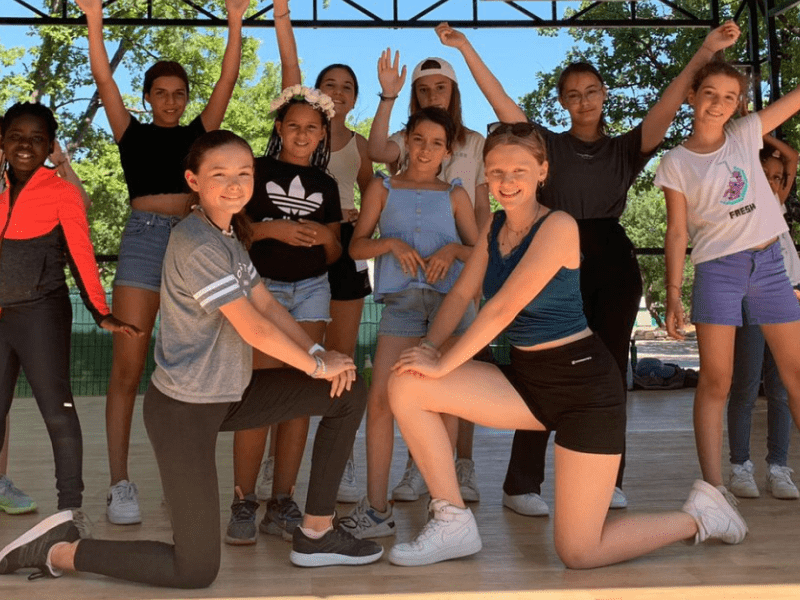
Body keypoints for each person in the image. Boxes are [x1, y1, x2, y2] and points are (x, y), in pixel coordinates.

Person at [0, 130, 383, 588]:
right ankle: (58, 551)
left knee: (347, 392)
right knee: (195, 568)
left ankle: (317, 531)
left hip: (230, 394)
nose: (235, 183)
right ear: (193, 180)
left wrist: (320, 352)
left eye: (244, 173)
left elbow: (267, 306)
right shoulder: (197, 242)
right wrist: (318, 366)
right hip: (184, 411)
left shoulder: (230, 237)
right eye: (219, 174)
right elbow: (252, 326)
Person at [384, 121, 747, 568]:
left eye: (518, 170)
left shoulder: (558, 226)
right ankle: (452, 519)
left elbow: (501, 311)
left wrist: (442, 364)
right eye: (495, 172)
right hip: (527, 385)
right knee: (407, 382)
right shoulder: (494, 227)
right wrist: (432, 351)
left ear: (542, 171)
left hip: (586, 393)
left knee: (578, 552)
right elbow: (461, 295)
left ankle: (700, 516)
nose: (506, 181)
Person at [435, 20, 740, 514]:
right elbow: (501, 104)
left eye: (591, 91)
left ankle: (608, 479)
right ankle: (522, 485)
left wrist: (707, 47)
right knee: (534, 362)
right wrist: (466, 47)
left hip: (610, 256)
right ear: (562, 103)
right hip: (549, 251)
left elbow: (666, 105)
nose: (583, 101)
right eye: (572, 94)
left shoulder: (624, 149)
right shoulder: (546, 146)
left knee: (609, 367)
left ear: (604, 95)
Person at [76, 0, 247, 525]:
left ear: (186, 100)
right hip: (146, 242)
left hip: (197, 242)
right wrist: (94, 21)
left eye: (179, 94)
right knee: (128, 365)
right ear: (148, 97)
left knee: (186, 367)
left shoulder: (200, 135)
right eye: (161, 93)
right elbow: (103, 77)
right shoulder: (131, 131)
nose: (171, 101)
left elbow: (227, 80)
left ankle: (181, 478)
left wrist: (235, 20)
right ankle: (119, 484)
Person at [655, 60, 800, 499]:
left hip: (770, 266)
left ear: (739, 105)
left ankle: (777, 467)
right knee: (717, 380)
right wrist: (675, 293)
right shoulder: (675, 162)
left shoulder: (744, 135)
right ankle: (713, 488)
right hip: (718, 271)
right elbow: (678, 231)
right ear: (692, 96)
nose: (719, 103)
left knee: (794, 374)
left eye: (730, 97)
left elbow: (794, 101)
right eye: (710, 93)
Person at [0, 101, 141, 533]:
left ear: (49, 145)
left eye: (36, 138)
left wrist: (101, 312)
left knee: (58, 411)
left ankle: (70, 510)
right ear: (2, 142)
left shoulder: (61, 192)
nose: (26, 145)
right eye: (16, 136)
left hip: (41, 312)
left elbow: (81, 253)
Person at [257, 0, 374, 506]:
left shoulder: (356, 149)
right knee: (273, 375)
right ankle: (262, 472)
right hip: (274, 270)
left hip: (330, 263)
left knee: (324, 366)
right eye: (331, 85)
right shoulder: (274, 156)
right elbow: (290, 72)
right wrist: (282, 20)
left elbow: (374, 191)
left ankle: (323, 467)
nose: (338, 92)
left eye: (348, 86)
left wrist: (348, 230)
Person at [341, 106, 478, 539]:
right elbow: (356, 248)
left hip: (448, 309)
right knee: (380, 401)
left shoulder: (456, 194)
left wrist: (453, 252)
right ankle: (378, 509)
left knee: (444, 405)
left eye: (436, 143)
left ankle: (446, 508)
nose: (425, 150)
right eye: (418, 139)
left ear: (448, 149)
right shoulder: (382, 188)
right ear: (407, 140)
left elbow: (479, 253)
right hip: (401, 306)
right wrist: (390, 243)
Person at [369, 46, 491, 505]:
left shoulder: (476, 142)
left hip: (456, 281)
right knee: (409, 385)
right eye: (423, 91)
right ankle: (417, 469)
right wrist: (386, 96)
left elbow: (479, 208)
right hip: (406, 295)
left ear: (454, 93)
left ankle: (464, 467)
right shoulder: (405, 138)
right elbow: (379, 150)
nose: (433, 95)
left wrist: (474, 264)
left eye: (440, 88)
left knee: (456, 385)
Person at [225, 82, 343, 545]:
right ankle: (242, 500)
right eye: (293, 125)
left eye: (311, 128)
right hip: (261, 290)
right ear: (279, 128)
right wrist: (274, 228)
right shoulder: (254, 169)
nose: (301, 133)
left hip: (312, 289)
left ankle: (282, 501)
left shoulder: (327, 184)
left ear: (321, 136)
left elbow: (335, 251)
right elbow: (234, 233)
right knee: (258, 393)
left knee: (301, 392)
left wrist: (324, 238)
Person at [727, 136, 800, 500]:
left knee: (782, 389)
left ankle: (778, 468)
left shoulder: (778, 205)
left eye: (777, 177)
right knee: (745, 385)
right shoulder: (743, 207)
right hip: (754, 298)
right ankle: (740, 466)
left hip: (790, 298)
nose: (774, 182)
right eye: (766, 175)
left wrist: (763, 135)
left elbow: (792, 156)